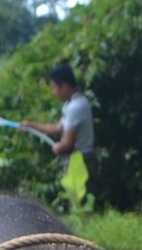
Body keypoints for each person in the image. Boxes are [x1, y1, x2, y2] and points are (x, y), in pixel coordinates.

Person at [18, 61, 96, 193]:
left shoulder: (74, 108)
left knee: (79, 205)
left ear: (64, 86)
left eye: (54, 87)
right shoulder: (73, 103)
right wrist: (30, 125)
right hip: (82, 160)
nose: (53, 92)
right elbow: (57, 128)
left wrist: (57, 148)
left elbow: (66, 144)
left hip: (81, 161)